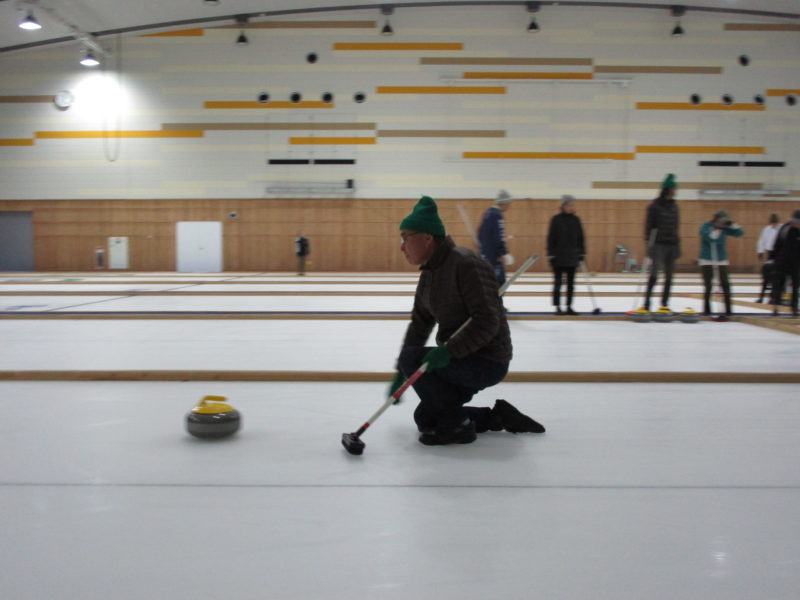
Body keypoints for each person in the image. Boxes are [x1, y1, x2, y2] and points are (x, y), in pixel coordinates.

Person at [391, 195, 544, 446]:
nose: (402, 246)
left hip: (485, 360)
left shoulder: (466, 264)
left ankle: (458, 429)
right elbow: (420, 323)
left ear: (427, 237)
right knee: (426, 417)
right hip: (457, 358)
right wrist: (401, 373)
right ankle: (497, 416)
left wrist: (448, 352)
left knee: (413, 359)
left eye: (405, 237)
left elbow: (487, 321)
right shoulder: (429, 275)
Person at [642, 173, 681, 312]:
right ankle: (646, 303)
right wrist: (649, 245)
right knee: (654, 274)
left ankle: (664, 304)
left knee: (669, 276)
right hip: (658, 244)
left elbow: (676, 227)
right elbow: (648, 227)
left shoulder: (675, 207)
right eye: (674, 189)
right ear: (668, 189)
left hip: (671, 244)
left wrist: (677, 246)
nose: (675, 191)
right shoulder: (654, 206)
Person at [699, 210, 744, 317]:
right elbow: (710, 238)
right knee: (708, 286)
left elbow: (740, 233)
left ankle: (728, 310)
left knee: (726, 284)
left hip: (721, 260)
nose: (723, 222)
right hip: (707, 260)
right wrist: (717, 229)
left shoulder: (724, 228)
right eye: (721, 220)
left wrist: (732, 224)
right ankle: (707, 311)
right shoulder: (706, 226)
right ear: (716, 219)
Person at [547, 194, 585, 315]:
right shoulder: (556, 220)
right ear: (563, 206)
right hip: (558, 257)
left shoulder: (576, 220)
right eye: (569, 204)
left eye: (572, 205)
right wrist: (550, 254)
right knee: (558, 283)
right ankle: (558, 306)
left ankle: (569, 306)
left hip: (572, 257)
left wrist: (582, 252)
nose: (571, 207)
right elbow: (551, 238)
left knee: (570, 284)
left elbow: (581, 238)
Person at [478, 189, 513, 286]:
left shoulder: (487, 213)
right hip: (494, 258)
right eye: (509, 203)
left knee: (486, 285)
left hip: (484, 255)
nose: (510, 206)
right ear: (504, 202)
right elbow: (499, 237)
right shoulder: (497, 215)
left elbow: (480, 234)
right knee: (500, 284)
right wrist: (503, 253)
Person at [770, 209, 800, 317]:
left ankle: (794, 308)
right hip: (782, 262)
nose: (798, 224)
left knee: (795, 286)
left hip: (796, 264)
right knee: (780, 285)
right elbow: (777, 244)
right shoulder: (785, 228)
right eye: (796, 222)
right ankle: (776, 307)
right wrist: (773, 259)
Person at [756, 213, 780, 303]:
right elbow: (762, 241)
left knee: (776, 277)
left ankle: (773, 297)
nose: (773, 225)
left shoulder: (781, 228)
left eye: (775, 223)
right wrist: (760, 251)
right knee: (766, 275)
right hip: (770, 253)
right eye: (772, 223)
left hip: (778, 253)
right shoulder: (766, 229)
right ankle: (762, 297)